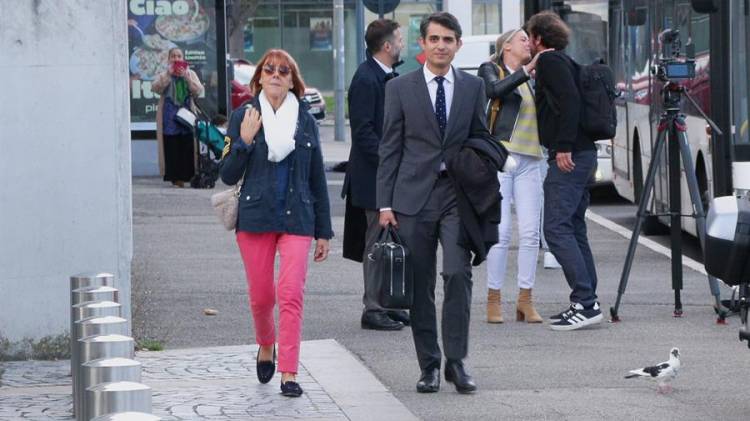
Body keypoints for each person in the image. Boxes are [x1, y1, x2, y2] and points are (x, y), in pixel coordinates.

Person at [377, 12, 489, 394]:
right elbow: (389, 147)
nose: (441, 45)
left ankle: (456, 361)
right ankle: (429, 365)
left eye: (449, 39)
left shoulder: (474, 88)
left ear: (458, 45)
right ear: (422, 45)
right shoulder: (399, 88)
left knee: (458, 273)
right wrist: (384, 203)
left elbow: (480, 139)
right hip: (412, 198)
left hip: (457, 196)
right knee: (419, 283)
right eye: (435, 39)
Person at [219, 49, 333, 397]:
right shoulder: (244, 116)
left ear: (292, 80)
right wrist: (245, 141)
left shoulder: (306, 121)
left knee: (290, 294)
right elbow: (226, 174)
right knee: (261, 297)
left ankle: (289, 372)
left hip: (297, 218)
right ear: (259, 77)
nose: (276, 75)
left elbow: (317, 179)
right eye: (269, 69)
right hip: (255, 218)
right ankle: (266, 343)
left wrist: (324, 232)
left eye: (284, 71)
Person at [527, 11, 602, 331]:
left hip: (570, 156)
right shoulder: (563, 60)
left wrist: (563, 147)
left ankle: (585, 303)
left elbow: (569, 102)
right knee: (573, 226)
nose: (528, 42)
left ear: (538, 38)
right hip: (584, 154)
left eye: (529, 37)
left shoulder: (549, 61)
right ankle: (588, 301)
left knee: (556, 229)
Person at [478, 29, 550, 324]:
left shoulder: (534, 78)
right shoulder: (491, 69)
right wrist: (527, 70)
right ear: (506, 46)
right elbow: (494, 91)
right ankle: (493, 299)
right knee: (502, 231)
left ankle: (525, 299)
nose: (528, 44)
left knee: (532, 232)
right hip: (501, 157)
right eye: (522, 39)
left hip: (532, 159)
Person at [342, 19, 409, 331]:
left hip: (385, 175)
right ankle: (373, 308)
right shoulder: (366, 78)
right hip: (372, 178)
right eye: (399, 39)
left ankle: (387, 303)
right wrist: (390, 160)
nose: (403, 44)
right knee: (375, 243)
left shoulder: (385, 75)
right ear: (387, 46)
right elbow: (364, 132)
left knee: (388, 239)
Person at [152, 47, 204, 187]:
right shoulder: (164, 74)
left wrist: (187, 78)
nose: (176, 59)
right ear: (169, 59)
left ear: (183, 59)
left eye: (179, 56)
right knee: (171, 144)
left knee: (187, 143)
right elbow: (155, 88)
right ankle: (175, 177)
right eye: (173, 56)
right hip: (169, 115)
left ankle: (187, 175)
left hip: (186, 115)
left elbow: (198, 91)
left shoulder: (190, 73)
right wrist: (168, 76)